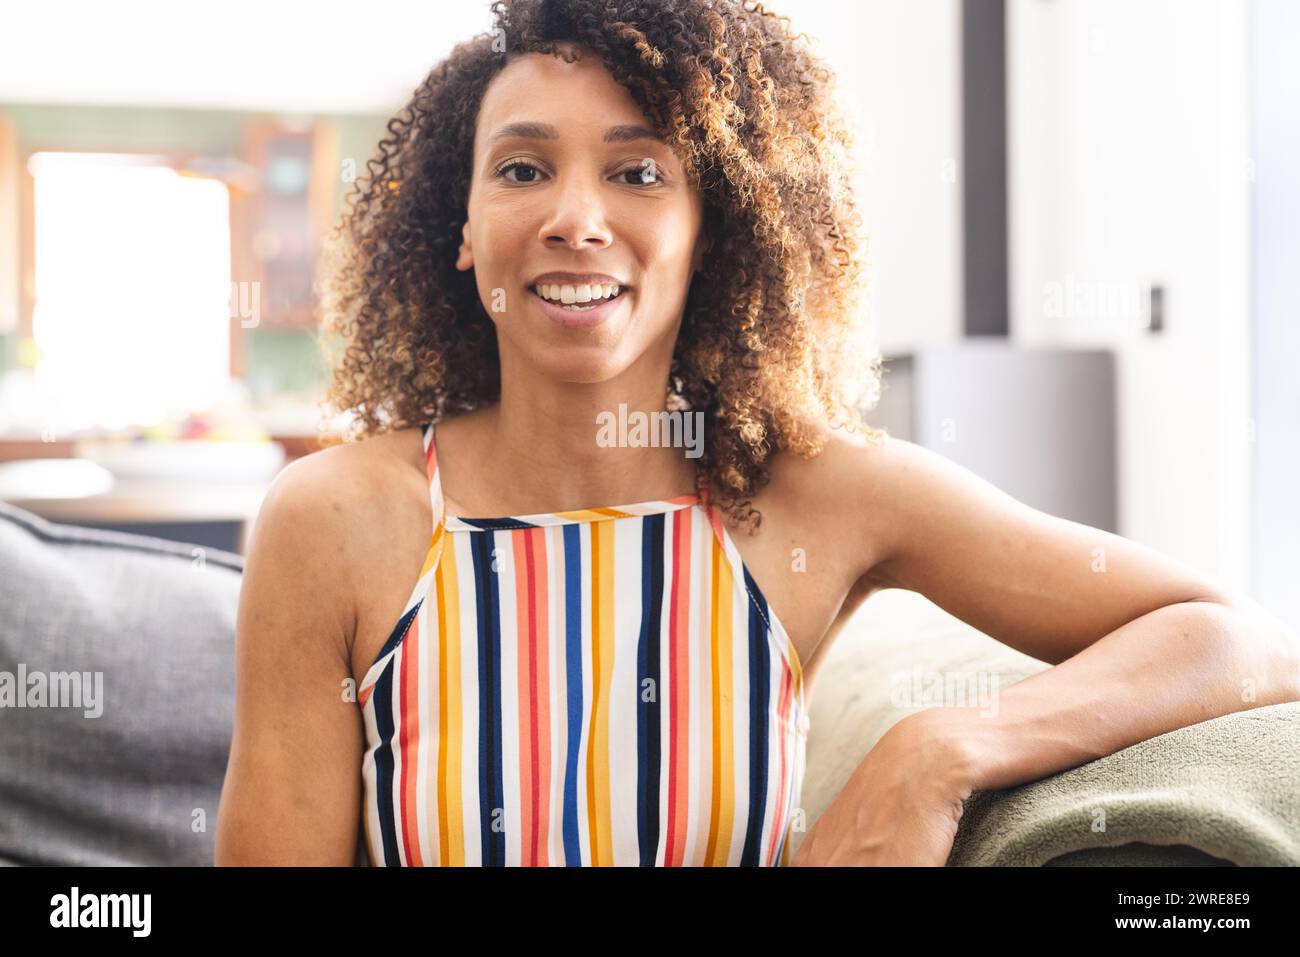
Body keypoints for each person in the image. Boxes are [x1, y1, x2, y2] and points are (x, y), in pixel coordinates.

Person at [215, 0, 1300, 867]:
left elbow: (1238, 639)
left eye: (637, 173)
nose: (574, 218)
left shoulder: (822, 497)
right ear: (461, 230)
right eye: (522, 168)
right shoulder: (334, 522)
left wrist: (940, 750)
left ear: (710, 230)